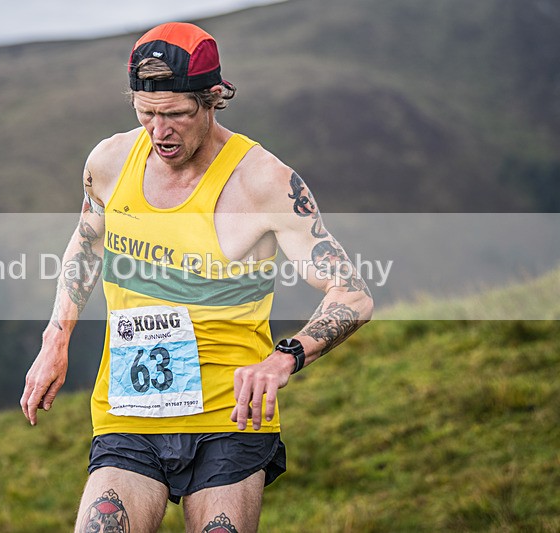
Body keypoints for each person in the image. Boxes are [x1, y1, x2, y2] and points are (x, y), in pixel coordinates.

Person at [21, 22, 373, 533]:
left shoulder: (264, 182)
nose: (159, 132)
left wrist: (285, 358)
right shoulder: (110, 161)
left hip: (230, 418)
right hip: (130, 409)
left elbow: (353, 294)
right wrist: (58, 335)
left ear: (213, 99)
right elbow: (88, 240)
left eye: (177, 115)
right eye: (146, 113)